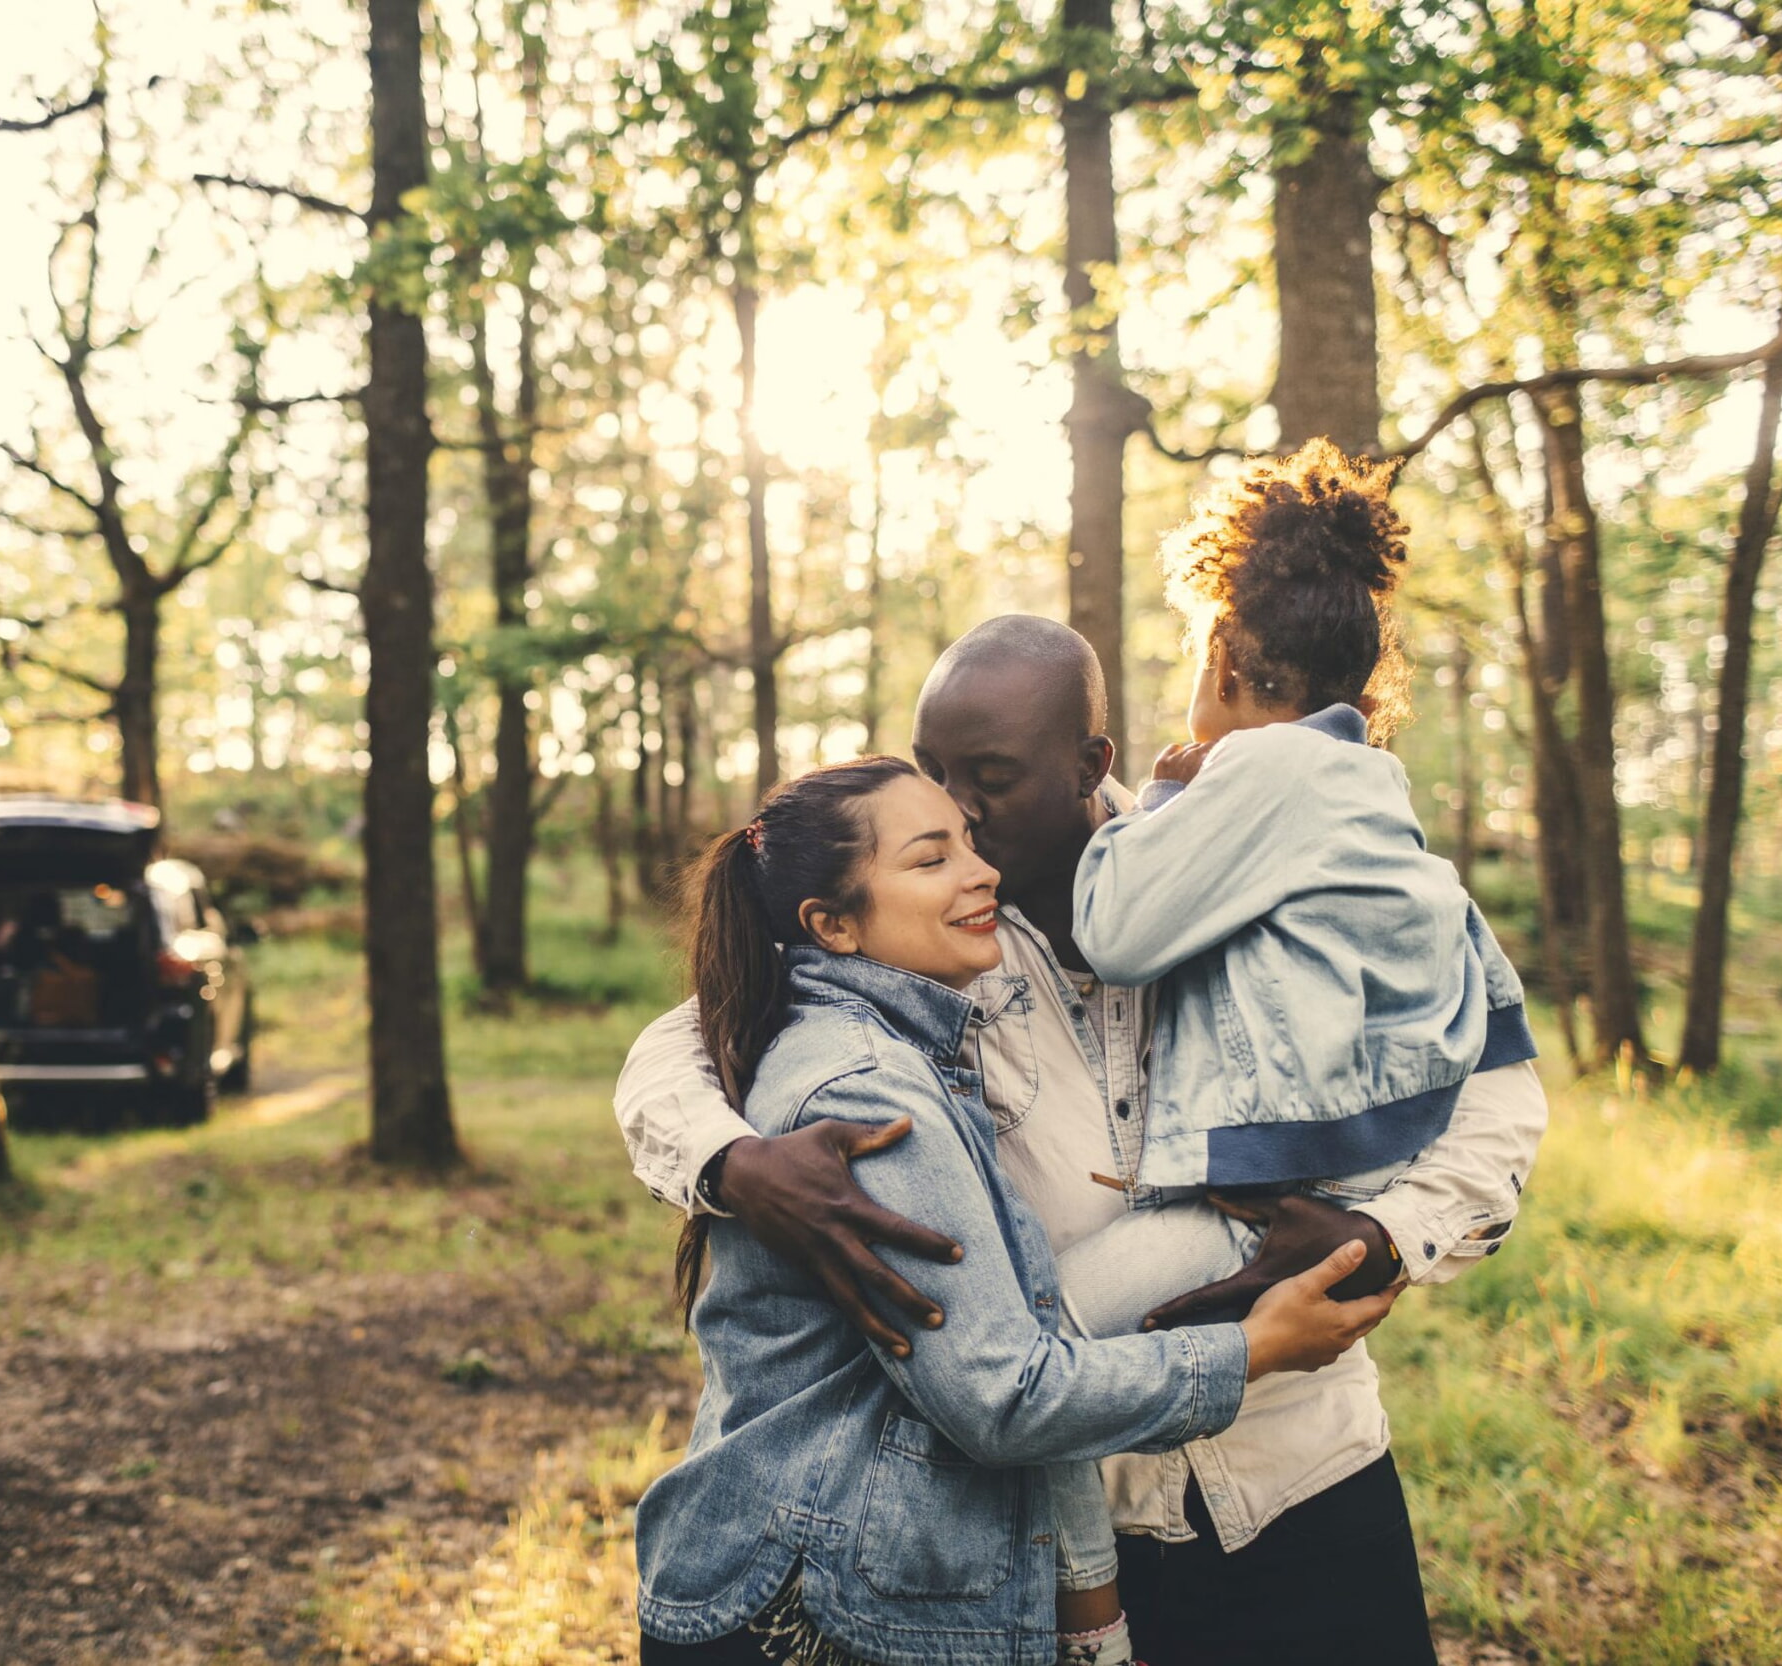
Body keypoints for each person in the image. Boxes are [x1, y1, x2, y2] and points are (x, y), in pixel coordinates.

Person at [615, 613, 1550, 1666]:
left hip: (1300, 1468)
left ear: (1088, 764)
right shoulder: (937, 920)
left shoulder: (1289, 851)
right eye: (935, 772)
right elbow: (692, 1036)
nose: (957, 805)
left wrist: (1377, 1235)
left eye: (993, 777)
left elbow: (1497, 1096)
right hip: (1060, 1514)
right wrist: (731, 1164)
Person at [1035, 440, 1541, 1655]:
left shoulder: (1227, 793)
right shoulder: (1383, 831)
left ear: (1218, 657)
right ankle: (1095, 1602)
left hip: (1302, 1465)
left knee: (1033, 1347)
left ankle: (1089, 1615)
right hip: (1168, 1463)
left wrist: (1381, 1239)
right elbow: (1494, 1044)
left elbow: (1111, 926)